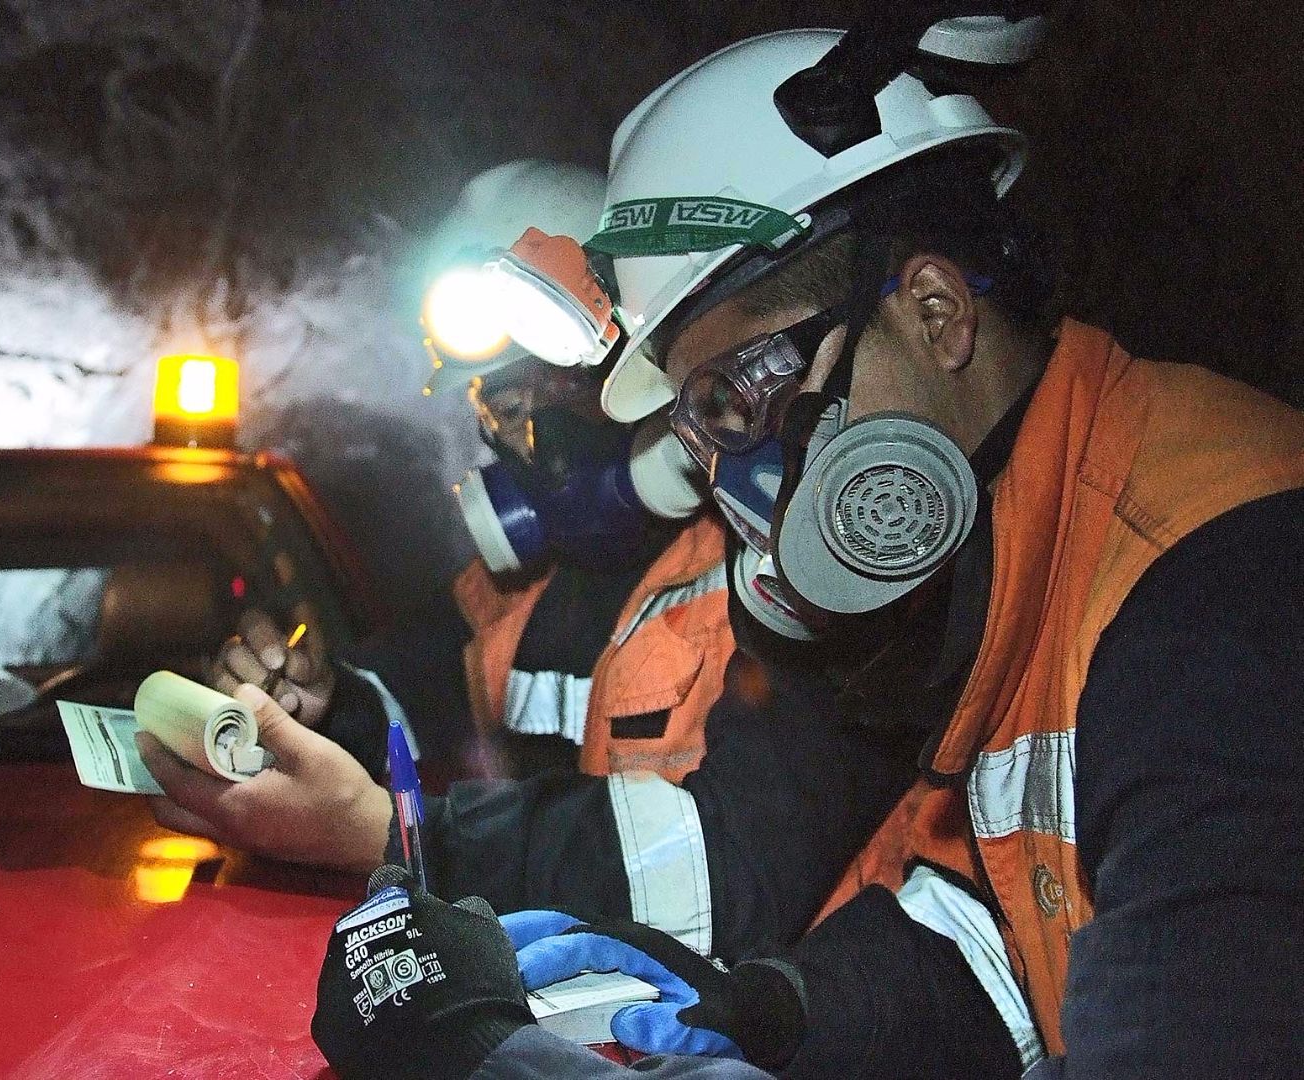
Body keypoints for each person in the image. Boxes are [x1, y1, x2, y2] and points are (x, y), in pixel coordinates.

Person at [307, 19, 1304, 1080]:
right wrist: (773, 1014)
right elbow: (993, 943)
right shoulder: (1022, 542)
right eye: (700, 427)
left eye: (739, 395)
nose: (736, 478)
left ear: (934, 314)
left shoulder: (1218, 600)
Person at [139, 159, 922, 958]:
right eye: (503, 402)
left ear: (646, 373)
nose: (533, 437)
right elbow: (409, 694)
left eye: (559, 387)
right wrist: (319, 705)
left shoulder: (779, 577)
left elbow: (729, 869)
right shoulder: (507, 594)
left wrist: (397, 836)